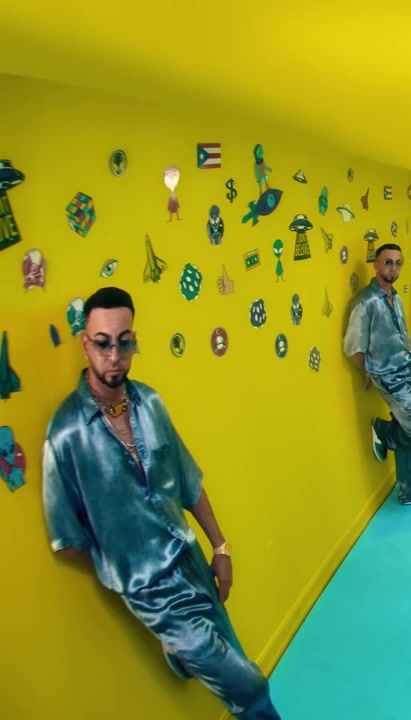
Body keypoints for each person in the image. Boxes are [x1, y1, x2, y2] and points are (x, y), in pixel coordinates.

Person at [41, 286, 280, 719]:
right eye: (102, 343)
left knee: (232, 650)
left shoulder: (149, 403)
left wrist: (221, 547)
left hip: (190, 557)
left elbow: (189, 482)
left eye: (124, 342)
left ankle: (182, 655)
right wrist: (125, 568)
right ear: (85, 344)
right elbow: (68, 541)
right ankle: (186, 649)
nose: (114, 356)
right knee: (250, 688)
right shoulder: (65, 434)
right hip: (150, 591)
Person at [344, 243, 411, 508]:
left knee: (408, 428)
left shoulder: (395, 297)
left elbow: (405, 338)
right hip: (388, 378)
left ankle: (410, 492)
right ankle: (385, 432)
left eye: (398, 263)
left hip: (405, 372)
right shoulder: (365, 302)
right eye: (387, 262)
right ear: (376, 264)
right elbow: (352, 349)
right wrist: (367, 370)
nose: (393, 268)